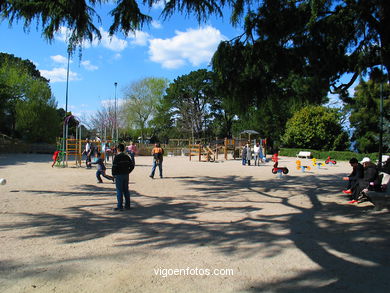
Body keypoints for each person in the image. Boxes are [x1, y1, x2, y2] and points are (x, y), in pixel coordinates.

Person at [112, 143, 135, 211]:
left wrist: (113, 174)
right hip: (126, 175)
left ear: (118, 149)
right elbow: (132, 165)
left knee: (119, 190)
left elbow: (114, 167)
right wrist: (128, 171)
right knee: (126, 190)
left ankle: (120, 206)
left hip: (119, 175)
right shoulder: (127, 156)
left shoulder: (117, 157)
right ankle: (127, 205)